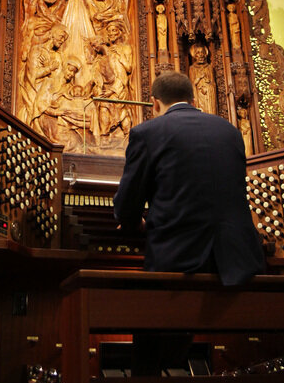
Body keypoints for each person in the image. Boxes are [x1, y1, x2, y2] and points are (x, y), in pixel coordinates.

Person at [113, 70, 264, 286]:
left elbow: (127, 205)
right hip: (238, 259)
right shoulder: (230, 131)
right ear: (192, 101)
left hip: (179, 258)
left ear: (154, 103)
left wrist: (134, 223)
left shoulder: (146, 133)